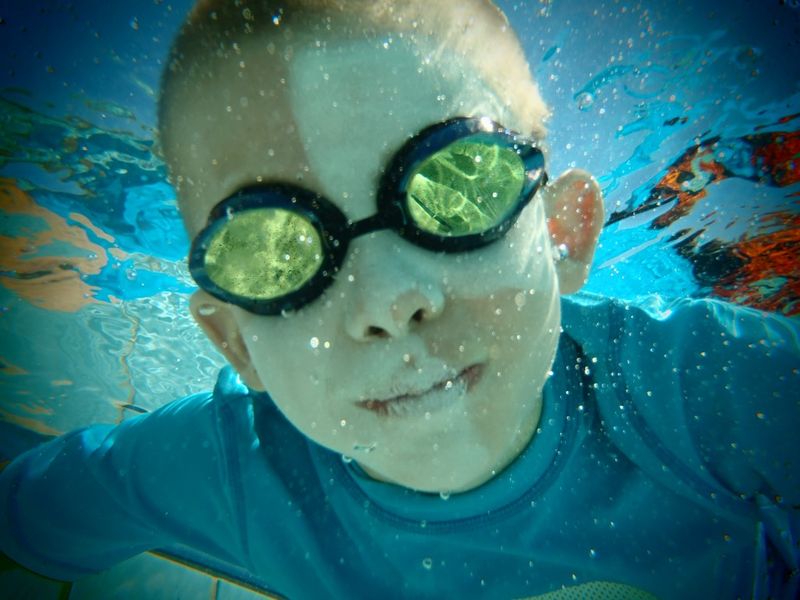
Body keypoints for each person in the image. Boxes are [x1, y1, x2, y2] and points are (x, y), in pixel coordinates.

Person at [1, 1, 798, 598]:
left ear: (562, 233)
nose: (388, 298)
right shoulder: (230, 473)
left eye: (457, 186)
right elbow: (31, 514)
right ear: (237, 343)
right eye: (274, 248)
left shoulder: (700, 389)